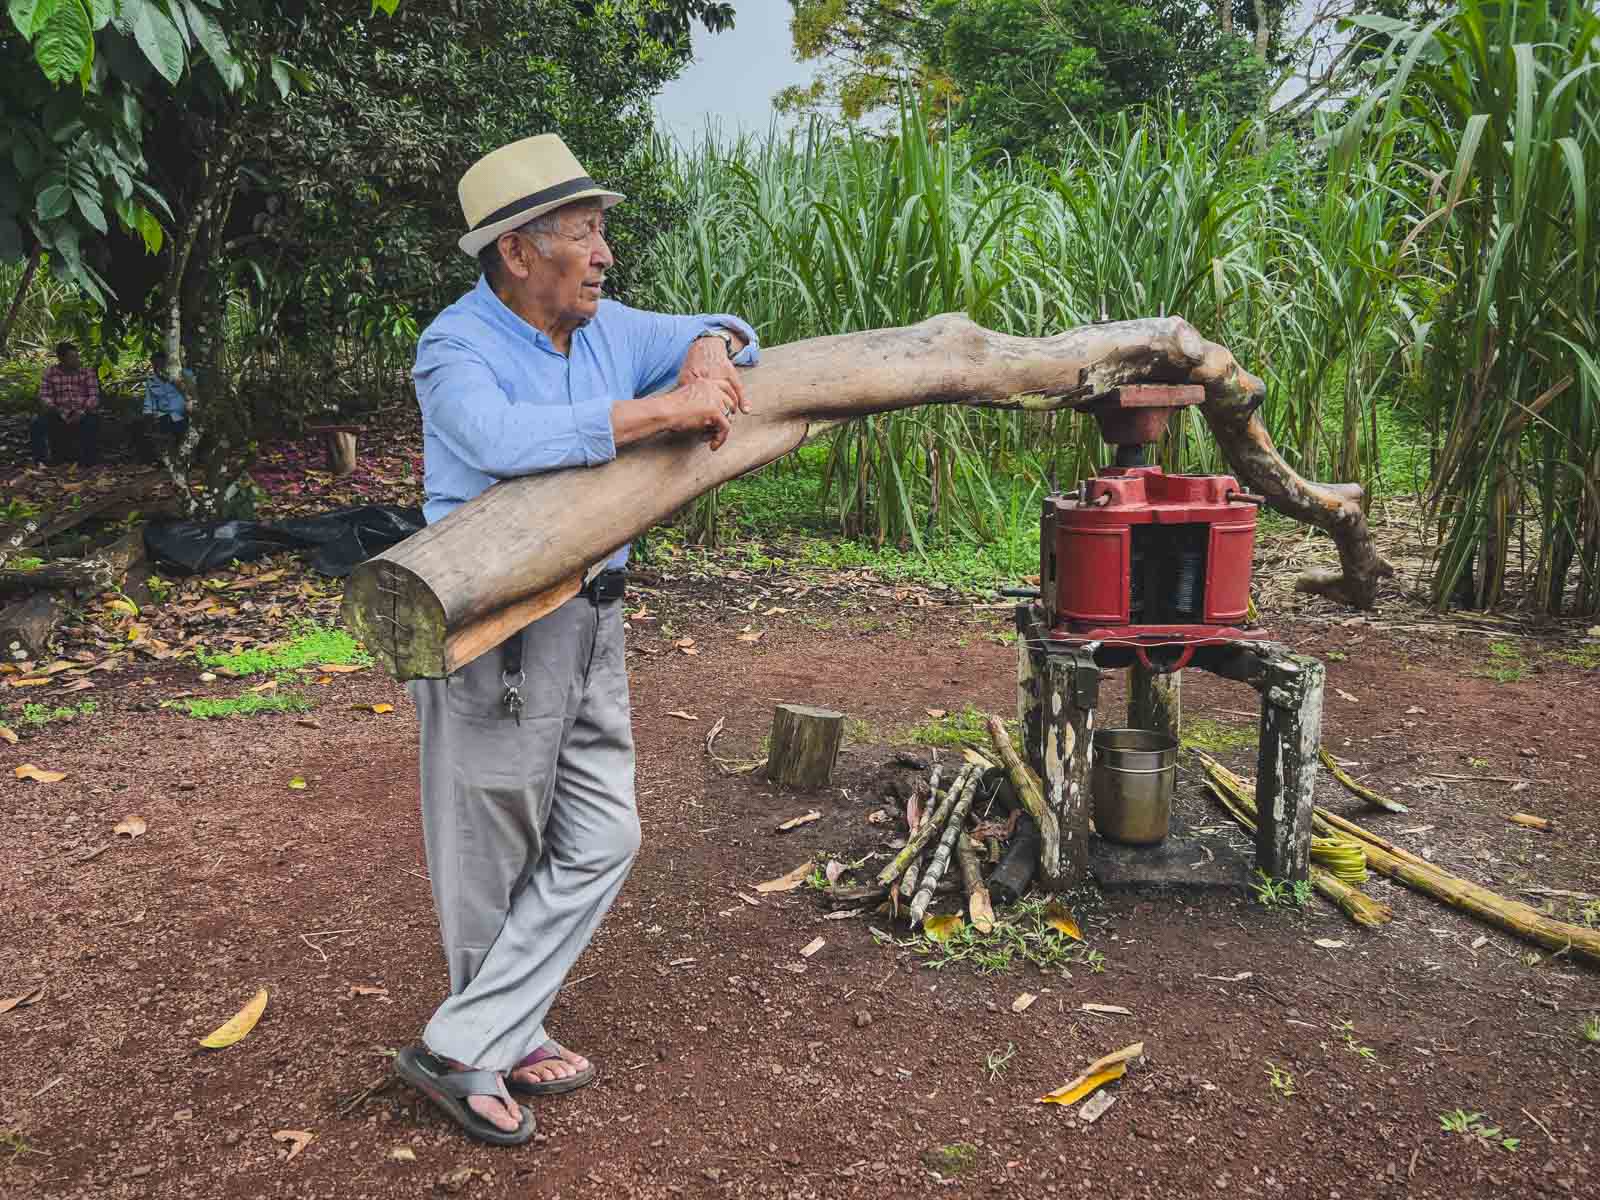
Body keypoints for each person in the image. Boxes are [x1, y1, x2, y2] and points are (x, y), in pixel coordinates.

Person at [394, 134, 758, 1146]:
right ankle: (489, 1043)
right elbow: (501, 441)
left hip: (595, 619)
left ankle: (478, 1031)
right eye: (584, 234)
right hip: (494, 632)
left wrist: (707, 350)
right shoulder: (455, 347)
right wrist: (665, 409)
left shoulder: (605, 330)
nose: (604, 255)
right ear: (518, 251)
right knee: (490, 846)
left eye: (602, 233)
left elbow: (728, 325)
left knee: (605, 833)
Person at [30, 341, 100, 467]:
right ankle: (41, 460)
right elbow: (44, 396)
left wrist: (82, 412)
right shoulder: (50, 373)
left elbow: (94, 396)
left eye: (77, 356)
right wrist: (57, 410)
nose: (76, 360)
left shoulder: (87, 372)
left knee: (92, 421)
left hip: (82, 411)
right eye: (72, 358)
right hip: (58, 411)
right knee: (37, 423)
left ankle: (88, 461)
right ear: (61, 358)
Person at [141, 350, 190, 450]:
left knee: (182, 440)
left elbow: (189, 393)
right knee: (165, 441)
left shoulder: (180, 376)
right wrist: (149, 415)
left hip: (181, 415)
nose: (157, 367)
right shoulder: (151, 381)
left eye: (160, 364)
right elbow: (149, 401)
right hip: (163, 416)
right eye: (155, 364)